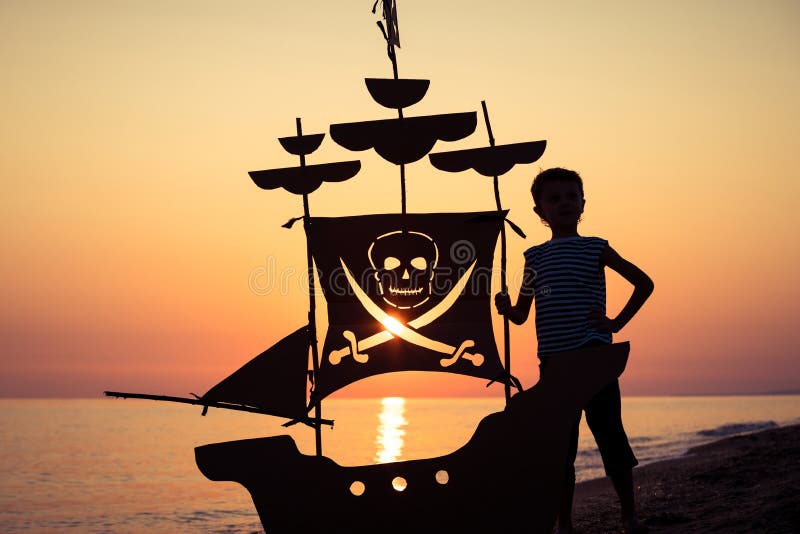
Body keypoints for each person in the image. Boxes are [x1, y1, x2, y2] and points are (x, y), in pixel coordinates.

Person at [495, 167, 654, 534]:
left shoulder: (595, 247)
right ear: (540, 212)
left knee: (611, 436)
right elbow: (522, 314)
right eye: (554, 198)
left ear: (583, 203)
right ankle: (564, 523)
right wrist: (506, 308)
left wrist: (616, 323)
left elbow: (643, 283)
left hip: (594, 358)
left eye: (571, 196)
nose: (564, 203)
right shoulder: (534, 257)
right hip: (553, 363)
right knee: (560, 447)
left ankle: (629, 515)